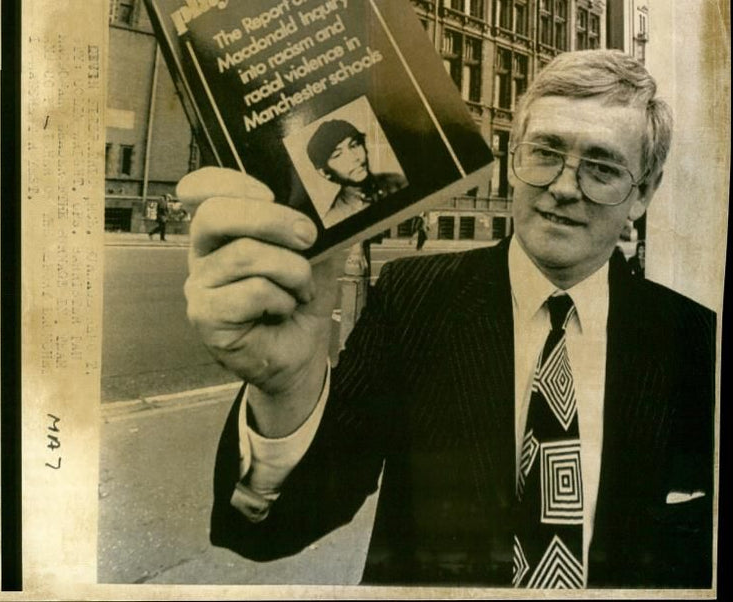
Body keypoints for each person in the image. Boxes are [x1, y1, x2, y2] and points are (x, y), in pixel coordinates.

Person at [178, 50, 715, 588]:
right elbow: (276, 527)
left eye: (601, 167)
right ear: (512, 160)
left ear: (643, 192)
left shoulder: (697, 343)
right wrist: (285, 387)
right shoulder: (415, 299)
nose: (565, 186)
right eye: (545, 151)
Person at [305, 118, 407, 226]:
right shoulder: (334, 220)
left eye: (354, 145)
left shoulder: (398, 181)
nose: (354, 157)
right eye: (337, 155)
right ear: (325, 173)